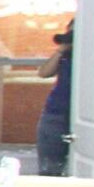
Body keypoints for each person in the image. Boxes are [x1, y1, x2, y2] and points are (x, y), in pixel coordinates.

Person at [35, 19, 74, 176]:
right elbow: (44, 72)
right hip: (55, 115)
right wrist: (61, 50)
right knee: (51, 166)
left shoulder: (93, 58)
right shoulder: (65, 56)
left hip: (77, 115)